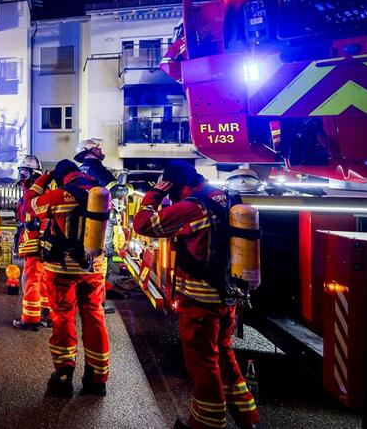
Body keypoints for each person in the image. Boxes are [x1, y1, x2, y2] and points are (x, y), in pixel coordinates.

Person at [132, 161, 259, 429]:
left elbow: (144, 224)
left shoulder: (193, 206)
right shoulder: (225, 198)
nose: (172, 197)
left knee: (202, 361)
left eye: (171, 190)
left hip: (201, 299)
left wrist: (155, 194)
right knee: (223, 352)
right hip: (227, 294)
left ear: (177, 185)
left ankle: (207, 423)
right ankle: (248, 415)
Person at [25, 160, 110, 398]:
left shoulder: (58, 196)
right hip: (93, 269)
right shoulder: (99, 193)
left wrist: (43, 179)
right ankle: (97, 380)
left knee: (63, 318)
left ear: (61, 177)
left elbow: (29, 205)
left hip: (62, 270)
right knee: (94, 318)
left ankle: (63, 377)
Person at [74, 138, 118, 314]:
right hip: (100, 221)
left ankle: (84, 299)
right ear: (89, 151)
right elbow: (116, 190)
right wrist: (132, 187)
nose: (101, 150)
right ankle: (99, 302)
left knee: (86, 260)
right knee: (103, 260)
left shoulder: (80, 169)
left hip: (85, 221)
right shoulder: (97, 168)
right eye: (98, 147)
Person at [12, 155, 52, 331]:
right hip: (36, 239)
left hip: (35, 241)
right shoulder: (33, 190)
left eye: (25, 171)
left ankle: (30, 319)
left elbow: (42, 218)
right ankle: (45, 315)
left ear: (34, 173)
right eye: (21, 171)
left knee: (31, 279)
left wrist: (42, 241)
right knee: (42, 279)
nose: (22, 175)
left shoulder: (38, 192)